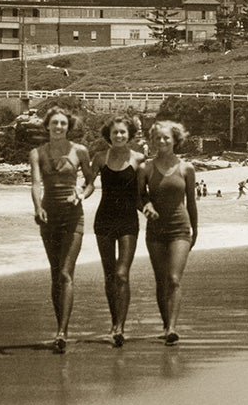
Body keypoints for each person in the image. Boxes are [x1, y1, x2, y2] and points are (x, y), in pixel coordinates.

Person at [29, 107, 92, 353]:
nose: (58, 127)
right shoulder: (37, 153)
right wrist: (37, 207)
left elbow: (89, 183)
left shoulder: (80, 151)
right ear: (47, 126)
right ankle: (60, 327)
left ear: (69, 126)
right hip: (48, 216)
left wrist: (80, 194)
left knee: (66, 272)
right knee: (56, 274)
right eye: (54, 123)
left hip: (72, 215)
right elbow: (35, 183)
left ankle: (62, 332)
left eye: (63, 124)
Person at [82, 116, 144, 347]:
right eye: (115, 132)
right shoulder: (99, 158)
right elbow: (88, 185)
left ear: (129, 134)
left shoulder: (139, 159)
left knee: (121, 274)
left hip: (129, 221)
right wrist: (80, 196)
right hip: (104, 221)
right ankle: (114, 322)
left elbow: (141, 194)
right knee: (109, 274)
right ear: (109, 135)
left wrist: (153, 209)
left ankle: (120, 327)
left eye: (123, 132)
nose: (119, 136)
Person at [138, 120, 198, 346]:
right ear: (152, 141)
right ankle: (166, 326)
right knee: (161, 280)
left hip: (180, 228)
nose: (162, 141)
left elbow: (191, 202)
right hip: (155, 230)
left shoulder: (186, 168)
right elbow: (139, 196)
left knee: (174, 279)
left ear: (175, 140)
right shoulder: (146, 168)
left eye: (166, 138)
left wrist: (196, 229)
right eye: (157, 138)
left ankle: (172, 327)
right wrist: (147, 206)